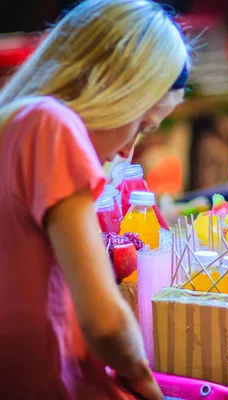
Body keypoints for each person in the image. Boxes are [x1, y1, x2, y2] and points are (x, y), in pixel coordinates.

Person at [0, 0, 189, 398]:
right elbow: (105, 322)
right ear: (113, 89)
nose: (128, 153)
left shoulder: (16, 123)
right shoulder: (50, 125)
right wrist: (147, 384)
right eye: (140, 123)